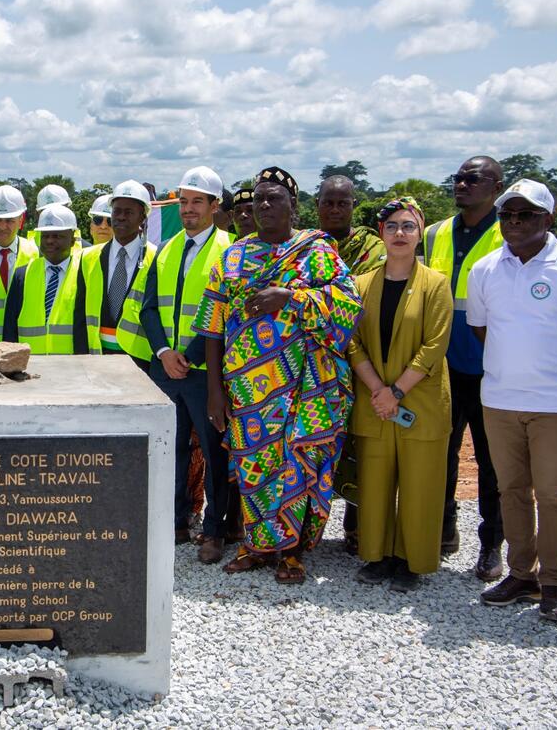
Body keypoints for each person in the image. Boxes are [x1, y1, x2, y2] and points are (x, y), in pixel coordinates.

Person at [198, 166, 362, 584]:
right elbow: (213, 327)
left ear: (295, 205)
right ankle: (257, 546)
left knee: (299, 466)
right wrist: (215, 393)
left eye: (274, 198)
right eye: (258, 200)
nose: (264, 205)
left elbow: (347, 306)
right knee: (255, 467)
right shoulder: (232, 256)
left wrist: (289, 297)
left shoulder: (318, 251)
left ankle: (291, 551)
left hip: (309, 388)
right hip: (249, 388)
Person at [468, 179, 557, 621]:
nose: (513, 222)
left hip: (556, 402)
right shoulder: (485, 270)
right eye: (507, 214)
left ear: (547, 219)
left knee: (552, 494)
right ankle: (521, 574)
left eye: (524, 214)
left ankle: (553, 582)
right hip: (501, 398)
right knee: (511, 489)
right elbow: (481, 328)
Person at [347, 197, 452, 592]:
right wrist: (378, 390)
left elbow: (434, 346)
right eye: (391, 226)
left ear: (420, 232)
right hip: (376, 403)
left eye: (408, 226)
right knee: (374, 484)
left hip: (419, 403)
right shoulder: (362, 284)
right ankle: (378, 556)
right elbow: (353, 342)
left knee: (420, 486)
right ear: (381, 233)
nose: (400, 234)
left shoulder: (436, 284)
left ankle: (412, 561)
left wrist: (396, 391)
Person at [135, 169, 235, 563]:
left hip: (205, 373)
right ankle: (175, 521)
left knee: (214, 453)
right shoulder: (165, 248)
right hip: (166, 370)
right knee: (170, 451)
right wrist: (163, 352)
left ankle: (213, 531)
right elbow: (148, 308)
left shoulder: (230, 250)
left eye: (197, 201)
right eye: (184, 201)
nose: (188, 209)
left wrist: (188, 356)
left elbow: (228, 316)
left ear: (215, 206)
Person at [423, 155, 505, 580]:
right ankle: (444, 531)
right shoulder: (435, 233)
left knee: (494, 465)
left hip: (493, 371)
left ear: (496, 185)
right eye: (457, 177)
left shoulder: (509, 232)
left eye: (473, 178)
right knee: (443, 456)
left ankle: (492, 545)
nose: (462, 184)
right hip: (443, 371)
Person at [316, 174, 387, 554]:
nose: (334, 209)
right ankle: (311, 524)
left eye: (342, 203)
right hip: (314, 362)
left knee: (361, 444)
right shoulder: (306, 245)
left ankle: (358, 527)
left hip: (360, 357)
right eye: (328, 202)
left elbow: (363, 296)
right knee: (316, 443)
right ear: (317, 205)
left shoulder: (371, 247)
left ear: (353, 207)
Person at [79, 180, 156, 367]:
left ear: (143, 218)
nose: (121, 217)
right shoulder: (88, 257)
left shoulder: (156, 258)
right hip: (96, 360)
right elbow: (79, 314)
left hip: (139, 363)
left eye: (129, 212)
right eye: (117, 211)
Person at [3, 204, 87, 354]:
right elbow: (10, 328)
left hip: (71, 367)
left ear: (72, 240)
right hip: (29, 366)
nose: (49, 241)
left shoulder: (83, 274)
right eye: (45, 236)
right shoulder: (23, 274)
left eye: (57, 236)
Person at [0, 185, 39, 343]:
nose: (2, 226)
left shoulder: (35, 253)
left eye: (9, 221)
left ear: (21, 219)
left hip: (24, 345)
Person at [28, 183, 82, 253]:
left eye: (59, 210)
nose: (53, 215)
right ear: (38, 214)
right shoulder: (24, 247)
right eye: (46, 212)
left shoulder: (87, 249)